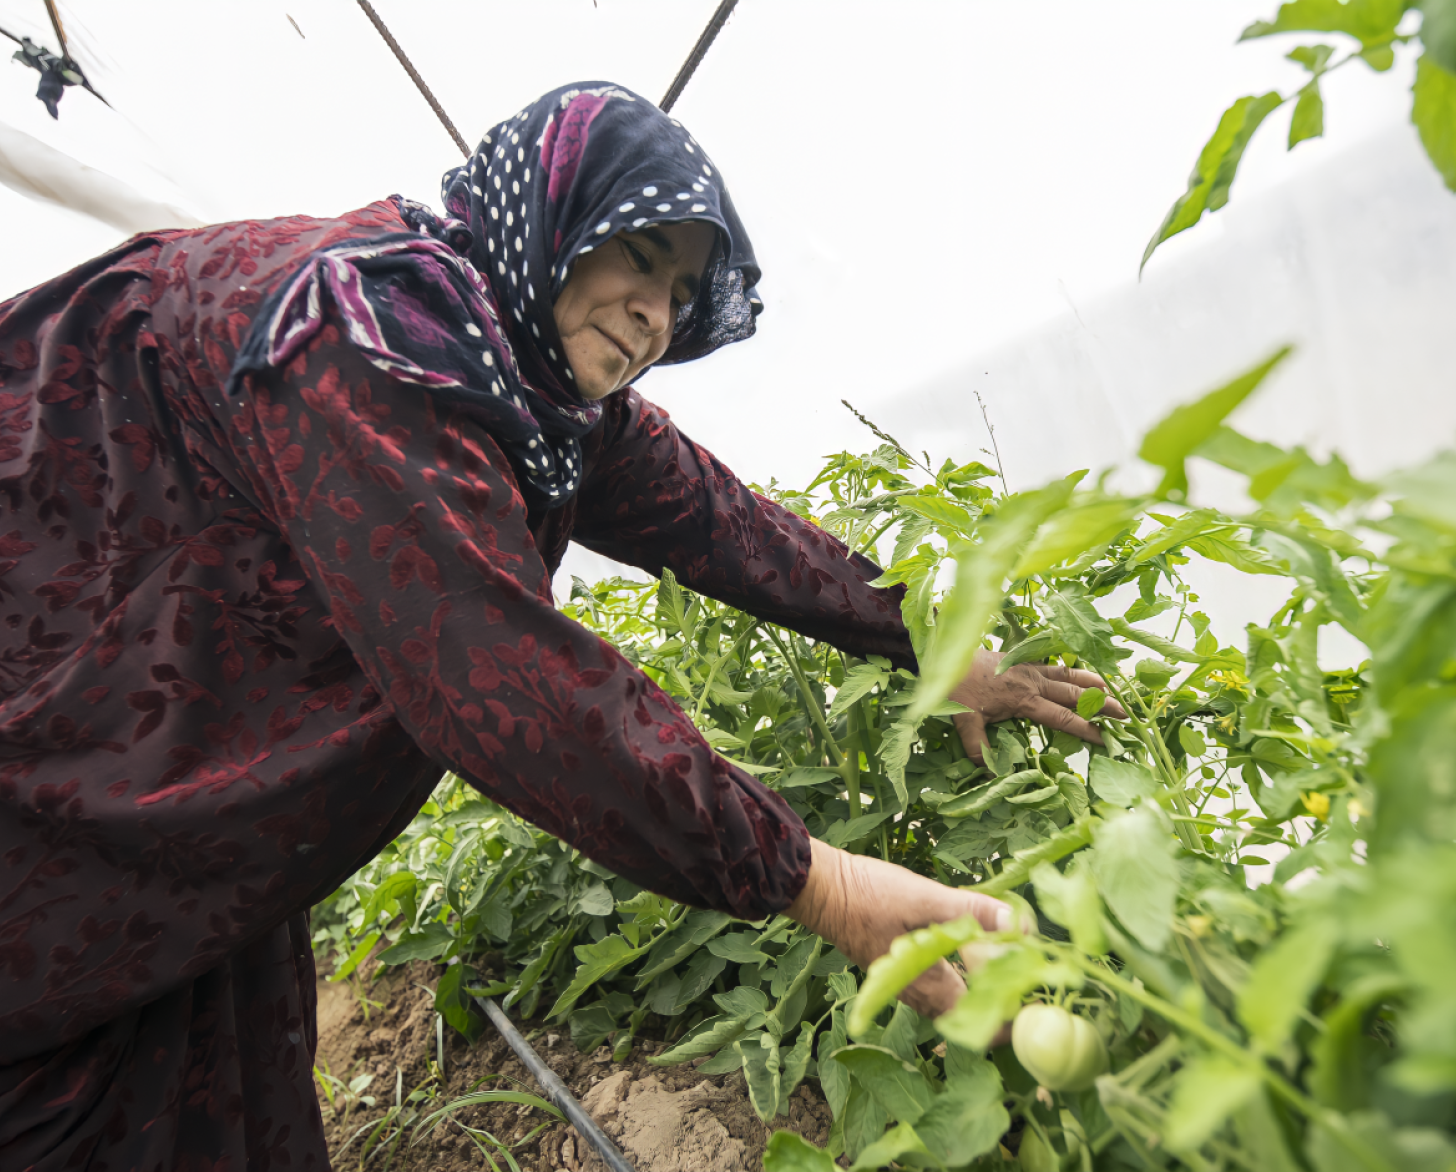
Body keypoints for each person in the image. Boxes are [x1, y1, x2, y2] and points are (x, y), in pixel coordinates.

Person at [0, 82, 1122, 1170]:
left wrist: (934, 643)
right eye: (640, 254)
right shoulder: (365, 335)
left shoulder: (530, 383)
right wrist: (818, 883)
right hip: (49, 796)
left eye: (680, 292)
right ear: (554, 219)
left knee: (221, 1081)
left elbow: (723, 521)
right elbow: (502, 673)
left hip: (178, 805)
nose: (656, 314)